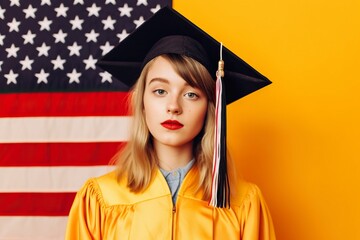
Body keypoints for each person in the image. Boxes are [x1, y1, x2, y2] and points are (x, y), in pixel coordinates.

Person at [66, 6, 276, 239]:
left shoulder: (243, 203)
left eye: (191, 94)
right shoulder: (100, 199)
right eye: (159, 90)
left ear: (209, 107)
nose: (173, 106)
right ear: (142, 101)